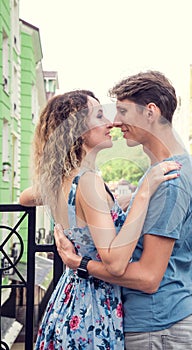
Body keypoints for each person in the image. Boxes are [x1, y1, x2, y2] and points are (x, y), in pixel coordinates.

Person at [19, 88, 180, 349]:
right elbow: (115, 264)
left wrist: (116, 205)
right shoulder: (89, 182)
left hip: (68, 300)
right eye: (100, 116)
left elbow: (25, 198)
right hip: (91, 310)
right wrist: (144, 191)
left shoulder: (61, 180)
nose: (111, 123)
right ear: (78, 131)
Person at [54, 71, 192, 350]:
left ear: (150, 112)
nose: (117, 121)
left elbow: (147, 278)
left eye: (123, 111)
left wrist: (80, 264)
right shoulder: (164, 171)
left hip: (156, 325)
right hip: (158, 323)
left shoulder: (169, 181)